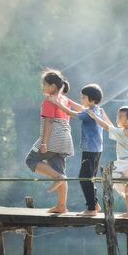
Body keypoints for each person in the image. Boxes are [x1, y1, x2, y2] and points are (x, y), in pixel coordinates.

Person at [49, 83, 107, 216]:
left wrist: (56, 102)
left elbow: (71, 112)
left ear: (91, 100)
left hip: (90, 150)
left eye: (83, 97)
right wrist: (68, 100)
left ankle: (91, 208)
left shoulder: (89, 113)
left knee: (84, 177)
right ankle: (95, 204)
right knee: (89, 177)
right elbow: (80, 107)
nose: (81, 99)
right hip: (96, 149)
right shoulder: (96, 109)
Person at [25, 69, 74, 213]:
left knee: (31, 160)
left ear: (52, 87)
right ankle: (61, 205)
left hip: (53, 138)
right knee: (60, 170)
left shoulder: (49, 101)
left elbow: (49, 122)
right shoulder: (64, 99)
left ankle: (57, 178)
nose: (43, 87)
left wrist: (44, 143)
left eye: (44, 84)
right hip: (65, 140)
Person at [87, 106, 128, 218]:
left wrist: (95, 117)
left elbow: (107, 127)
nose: (117, 118)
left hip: (126, 162)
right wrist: (104, 115)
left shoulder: (123, 132)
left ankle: (101, 206)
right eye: (117, 116)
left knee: (107, 175)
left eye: (120, 117)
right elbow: (111, 126)